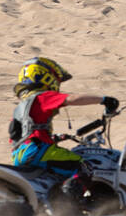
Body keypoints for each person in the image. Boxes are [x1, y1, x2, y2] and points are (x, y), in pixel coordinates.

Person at [9, 57, 118, 207]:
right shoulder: (42, 96)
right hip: (39, 151)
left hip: (19, 156)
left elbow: (24, 134)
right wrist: (104, 100)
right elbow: (72, 99)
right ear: (46, 76)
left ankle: (51, 200)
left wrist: (52, 138)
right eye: (57, 80)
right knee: (84, 166)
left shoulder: (20, 108)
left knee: (58, 173)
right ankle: (69, 204)